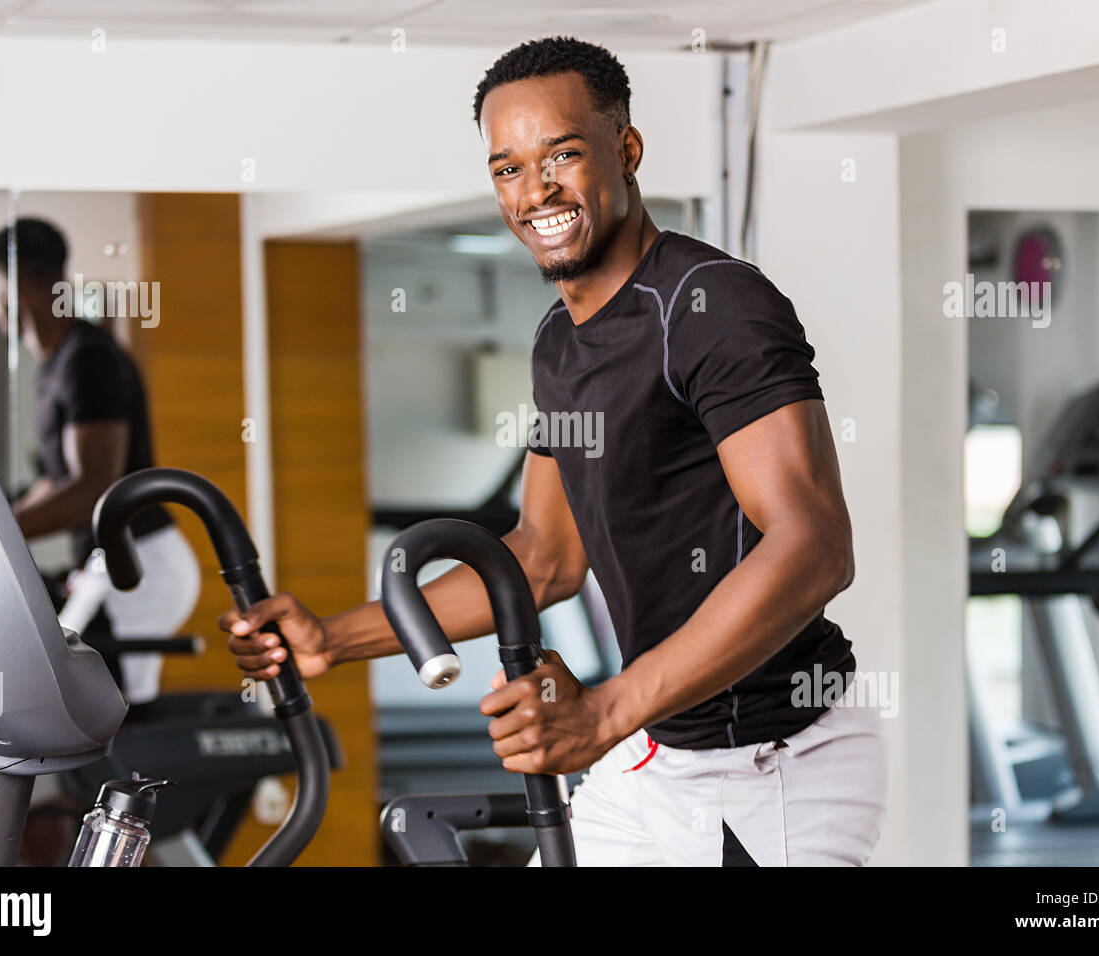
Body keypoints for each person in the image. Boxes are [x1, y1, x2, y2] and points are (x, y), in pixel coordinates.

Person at [222, 37, 887, 865]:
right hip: (656, 757)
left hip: (776, 764)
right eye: (507, 168)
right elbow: (541, 559)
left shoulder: (711, 305)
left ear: (627, 149)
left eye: (561, 155)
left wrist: (603, 711)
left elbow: (815, 544)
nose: (534, 191)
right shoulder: (557, 342)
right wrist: (333, 636)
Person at [0, 217, 200, 704]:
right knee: (65, 693)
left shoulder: (88, 359)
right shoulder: (57, 364)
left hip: (142, 561)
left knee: (104, 705)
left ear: (14, 286)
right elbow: (55, 483)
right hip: (110, 561)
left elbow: (92, 487)